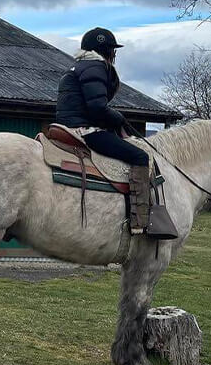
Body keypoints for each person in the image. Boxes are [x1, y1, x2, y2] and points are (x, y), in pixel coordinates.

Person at [53, 27, 177, 239]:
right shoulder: (97, 67)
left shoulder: (77, 67)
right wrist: (118, 118)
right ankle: (140, 221)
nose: (115, 55)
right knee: (141, 156)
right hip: (86, 131)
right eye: (113, 50)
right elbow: (97, 108)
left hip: (68, 126)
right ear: (105, 51)